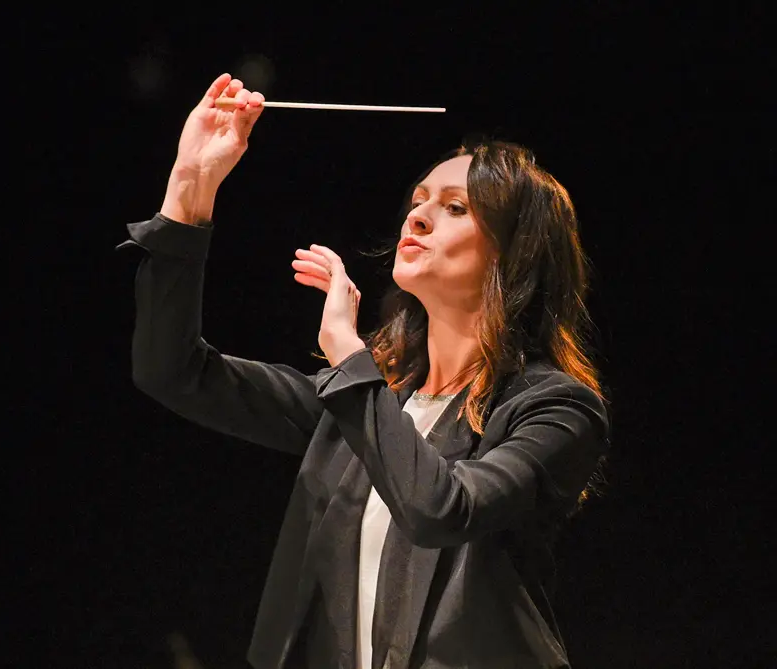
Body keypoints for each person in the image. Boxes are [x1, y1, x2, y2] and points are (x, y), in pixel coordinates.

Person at [120, 73, 610, 669]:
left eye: (455, 208)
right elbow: (172, 371)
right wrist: (189, 187)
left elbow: (441, 510)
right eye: (418, 201)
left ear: (516, 253)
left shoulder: (555, 408)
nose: (420, 218)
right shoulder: (364, 402)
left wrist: (350, 357)